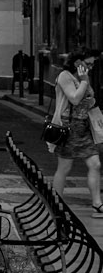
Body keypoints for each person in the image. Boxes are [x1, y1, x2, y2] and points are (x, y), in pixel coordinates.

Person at [49, 53, 103, 212]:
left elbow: (90, 97)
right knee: (64, 167)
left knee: (95, 164)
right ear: (77, 62)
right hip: (69, 128)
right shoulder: (65, 76)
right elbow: (74, 98)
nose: (91, 67)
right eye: (89, 63)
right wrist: (85, 80)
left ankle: (97, 203)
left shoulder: (82, 77)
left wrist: (85, 83)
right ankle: (56, 203)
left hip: (84, 129)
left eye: (93, 64)